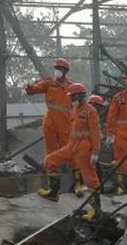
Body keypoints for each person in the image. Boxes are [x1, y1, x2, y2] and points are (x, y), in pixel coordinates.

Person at [40, 83, 103, 221]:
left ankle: (96, 211)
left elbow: (95, 133)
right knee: (49, 161)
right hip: (71, 146)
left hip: (84, 149)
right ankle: (54, 192)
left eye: (73, 96)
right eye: (71, 96)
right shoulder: (73, 110)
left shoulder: (90, 111)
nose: (71, 99)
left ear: (81, 96)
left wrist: (95, 153)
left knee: (90, 180)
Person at [25, 58, 85, 197]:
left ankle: (79, 186)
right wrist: (29, 86)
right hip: (50, 122)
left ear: (65, 71)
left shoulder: (71, 87)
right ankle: (54, 190)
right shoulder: (48, 83)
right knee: (51, 155)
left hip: (66, 123)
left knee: (72, 152)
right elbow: (32, 91)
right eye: (56, 67)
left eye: (60, 68)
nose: (57, 70)